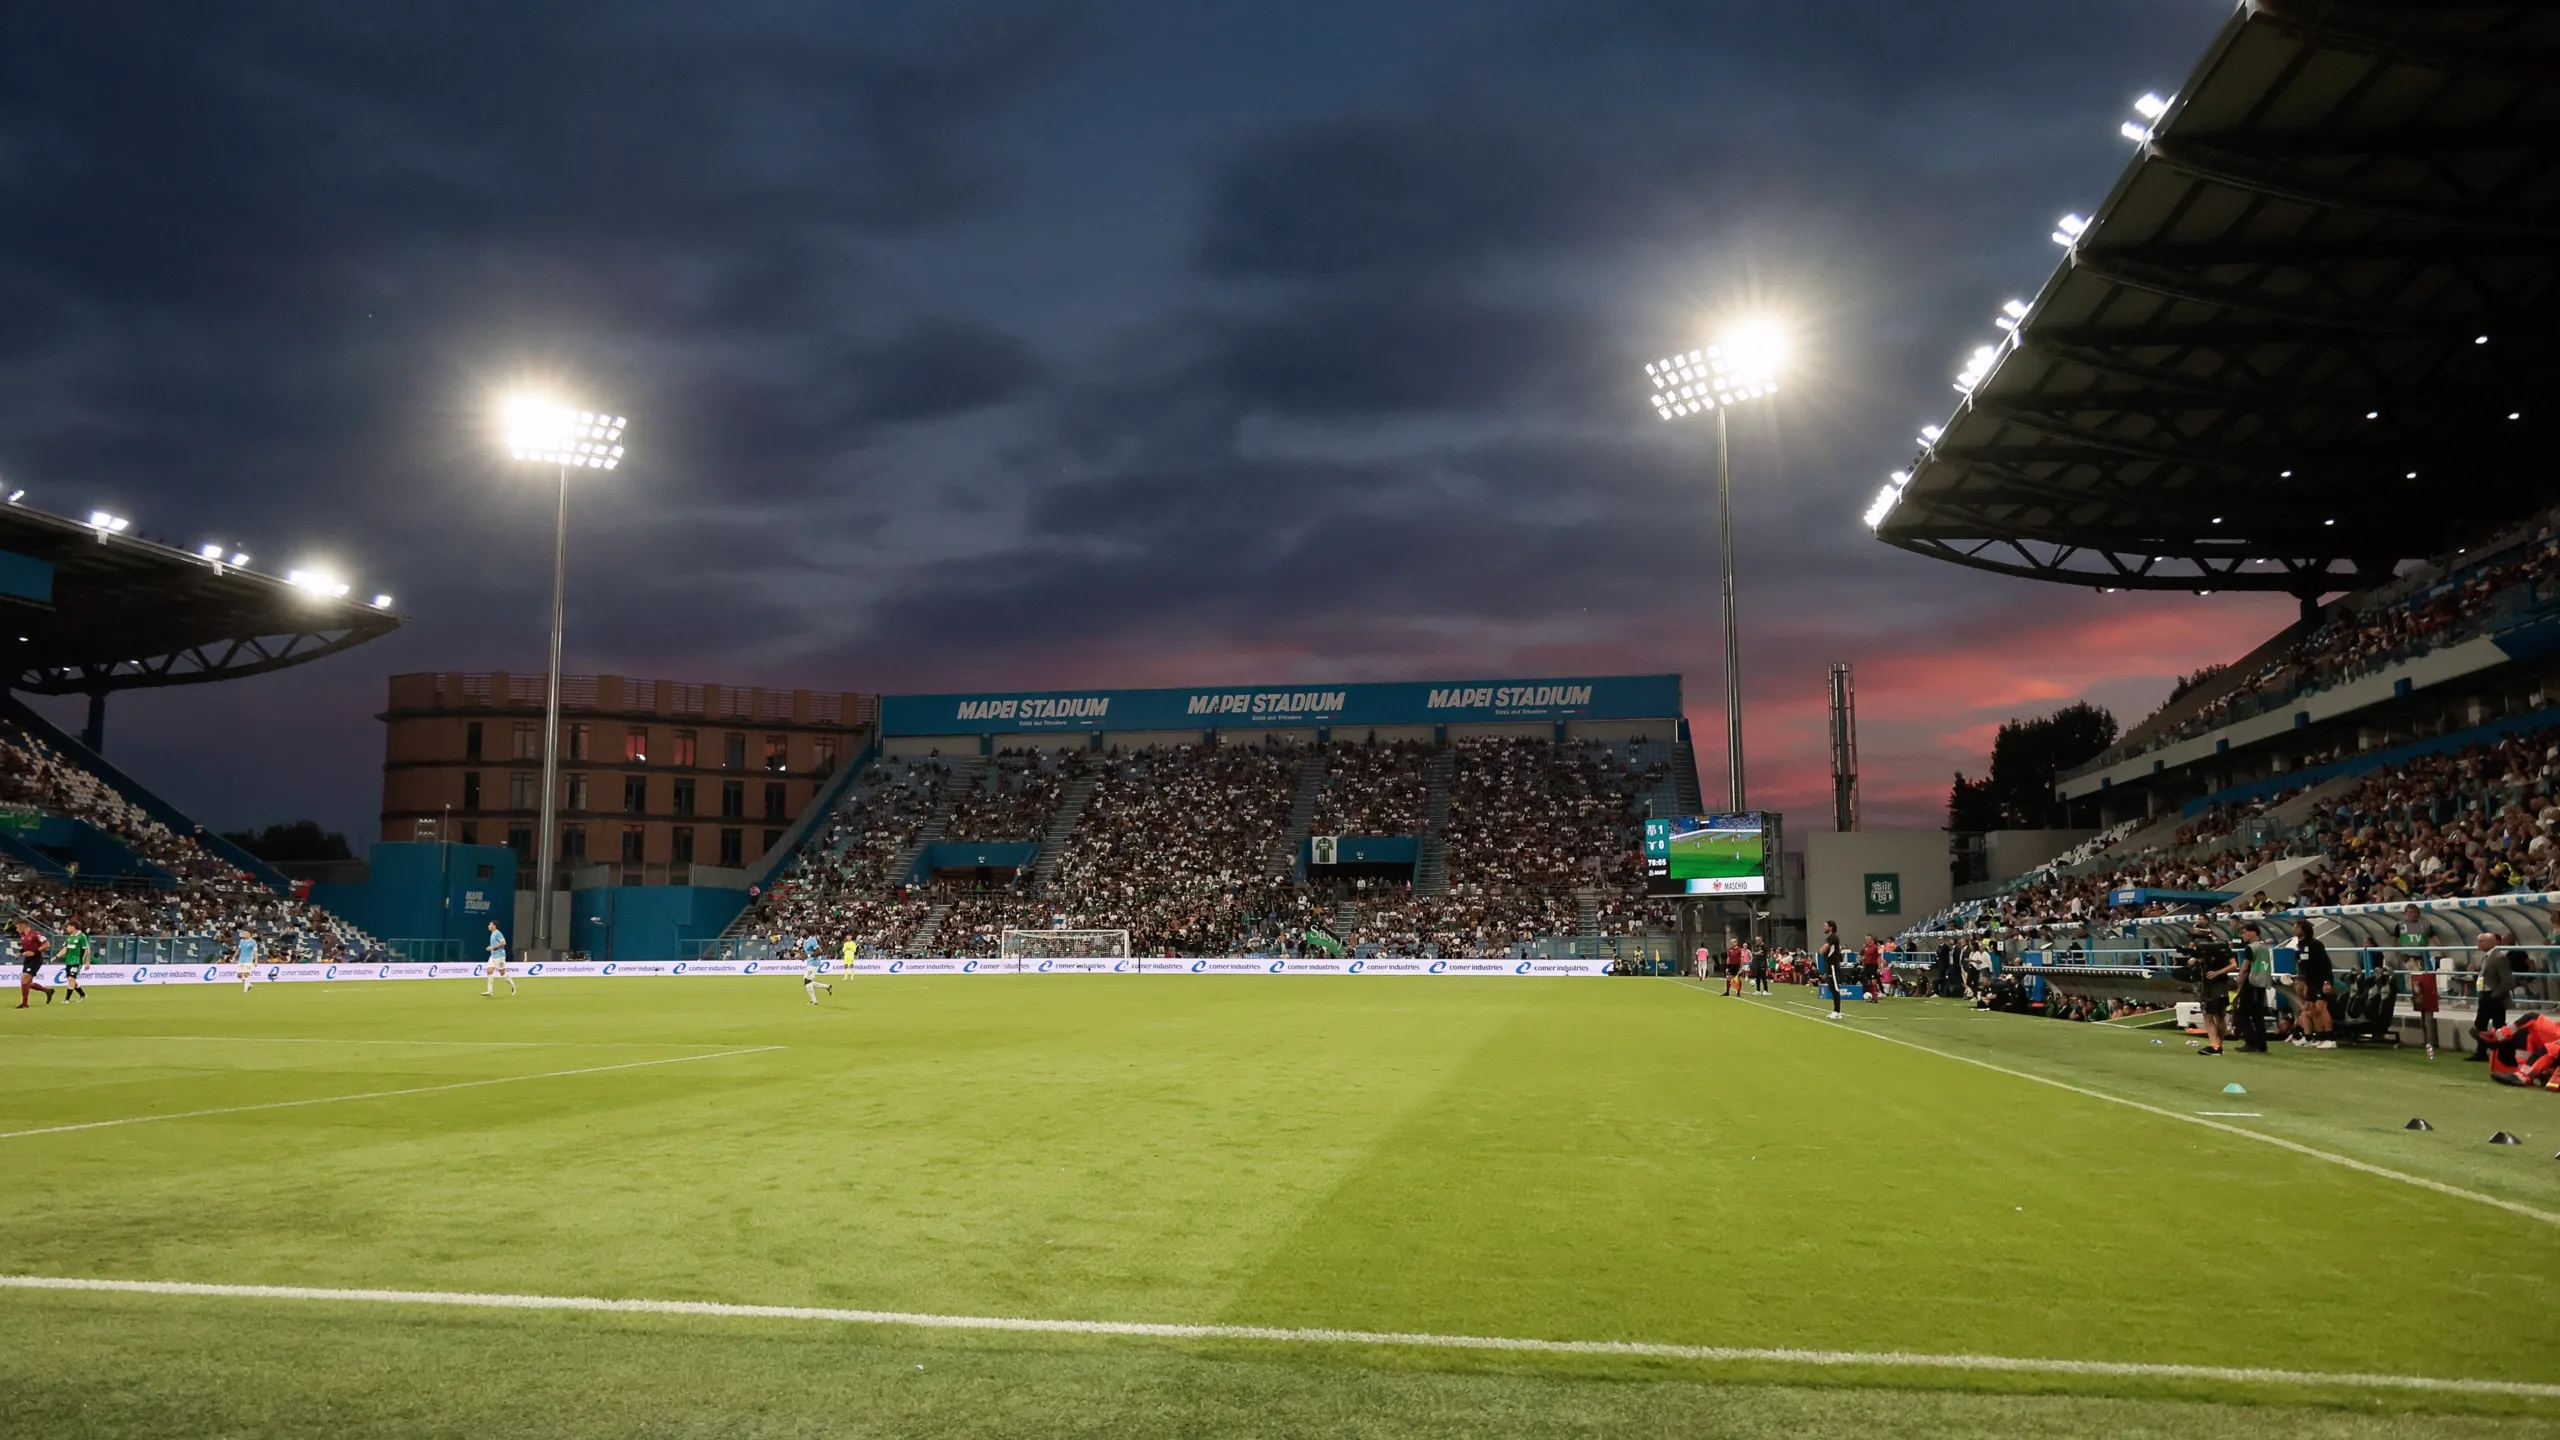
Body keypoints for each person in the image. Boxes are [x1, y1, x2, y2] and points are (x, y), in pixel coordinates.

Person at [2398, 905, 2440, 1058]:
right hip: (2408, 957)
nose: (2413, 914)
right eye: (2410, 912)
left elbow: (2434, 936)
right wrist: (2397, 953)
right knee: (2413, 981)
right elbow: (2394, 939)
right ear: (2405, 913)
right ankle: (2415, 997)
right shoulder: (2400, 925)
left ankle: (2419, 998)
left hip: (2421, 958)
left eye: (2415, 912)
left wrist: (2442, 948)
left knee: (2421, 983)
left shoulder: (2425, 925)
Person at [2189, 925, 2236, 1057]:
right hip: (2215, 984)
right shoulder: (2220, 945)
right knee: (2218, 1015)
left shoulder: (2217, 947)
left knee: (2209, 1014)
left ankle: (2215, 1046)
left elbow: (2233, 965)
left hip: (2214, 985)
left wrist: (2217, 973)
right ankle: (2218, 1046)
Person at [2468, 931, 2514, 1063]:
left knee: (2498, 1025)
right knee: (2480, 1024)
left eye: (2481, 941)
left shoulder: (2499, 958)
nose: (2478, 944)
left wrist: (2495, 995)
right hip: (2485, 994)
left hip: (2495, 997)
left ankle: (2502, 1054)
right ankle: (2481, 1052)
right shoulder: (2486, 957)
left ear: (2491, 942)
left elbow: (2508, 981)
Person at [2289, 919, 2335, 1049]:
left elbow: (2326, 964)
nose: (2293, 929)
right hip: (2309, 982)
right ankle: (2319, 1037)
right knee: (2313, 1010)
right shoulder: (2299, 946)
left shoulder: (2315, 944)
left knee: (2321, 1008)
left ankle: (2330, 1039)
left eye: (2296, 927)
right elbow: (2301, 966)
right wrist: (2300, 981)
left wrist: (2327, 981)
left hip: (2320, 980)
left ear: (2303, 929)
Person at [2233, 921, 2274, 1053]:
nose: (2242, 935)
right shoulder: (2264, 947)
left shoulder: (2251, 948)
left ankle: (2251, 1042)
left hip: (2251, 983)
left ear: (2253, 933)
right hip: (2262, 983)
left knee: (2243, 1013)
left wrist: (2240, 979)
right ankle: (2262, 1045)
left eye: (2244, 932)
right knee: (2257, 1015)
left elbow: (2245, 967)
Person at [16, 921, 52, 1008]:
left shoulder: (36, 934)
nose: (16, 929)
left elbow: (47, 944)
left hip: (35, 960)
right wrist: (20, 952)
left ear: (23, 926)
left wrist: (35, 952)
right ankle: (48, 991)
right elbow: (26, 946)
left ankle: (24, 1004)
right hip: (27, 960)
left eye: (17, 927)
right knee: (28, 983)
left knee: (24, 980)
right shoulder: (23, 935)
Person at [1817, 922, 1846, 1018]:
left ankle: (1837, 1012)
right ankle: (1835, 1011)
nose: (1824, 927)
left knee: (1835, 988)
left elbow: (1823, 950)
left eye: (1826, 926)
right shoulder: (1830, 938)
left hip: (1833, 966)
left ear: (1831, 927)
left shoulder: (1833, 937)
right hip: (1829, 966)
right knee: (1832, 988)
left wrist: (1822, 949)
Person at [55, 925, 89, 1004]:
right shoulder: (69, 937)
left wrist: (87, 962)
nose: (67, 928)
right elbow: (65, 949)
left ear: (73, 927)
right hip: (69, 961)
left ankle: (66, 999)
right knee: (71, 980)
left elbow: (87, 950)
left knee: (71, 979)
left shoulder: (82, 936)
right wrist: (56, 957)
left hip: (77, 961)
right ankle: (82, 994)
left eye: (68, 927)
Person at [483, 921, 516, 997]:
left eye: (490, 925)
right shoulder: (492, 934)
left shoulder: (498, 933)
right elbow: (495, 944)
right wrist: (490, 947)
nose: (488, 926)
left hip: (499, 956)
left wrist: (493, 947)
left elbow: (503, 942)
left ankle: (513, 986)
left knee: (502, 973)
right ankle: (489, 991)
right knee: (489, 971)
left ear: (494, 926)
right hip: (493, 955)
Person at [802, 936, 833, 1005]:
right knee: (807, 982)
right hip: (810, 962)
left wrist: (808, 956)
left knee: (807, 981)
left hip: (814, 963)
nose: (801, 932)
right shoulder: (805, 941)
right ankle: (827, 986)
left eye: (803, 930)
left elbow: (819, 952)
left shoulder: (812, 940)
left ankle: (814, 1001)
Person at [234, 929, 258, 994]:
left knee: (246, 974)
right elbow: (238, 949)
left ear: (249, 934)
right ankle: (249, 985)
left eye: (245, 933)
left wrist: (256, 961)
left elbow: (255, 952)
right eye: (244, 933)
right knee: (239, 975)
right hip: (241, 960)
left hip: (249, 960)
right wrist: (234, 956)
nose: (244, 934)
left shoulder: (253, 942)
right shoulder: (242, 941)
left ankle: (245, 990)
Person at [1859, 934, 1882, 1004]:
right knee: (1868, 982)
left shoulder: (1875, 947)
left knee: (1874, 981)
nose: (1867, 940)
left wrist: (1879, 967)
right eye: (1866, 939)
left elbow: (1879, 957)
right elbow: (1863, 955)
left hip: (1873, 966)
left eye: (1868, 939)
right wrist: (1863, 959)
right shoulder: (1865, 947)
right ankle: (1870, 997)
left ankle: (1875, 998)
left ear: (1872, 939)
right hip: (1867, 966)